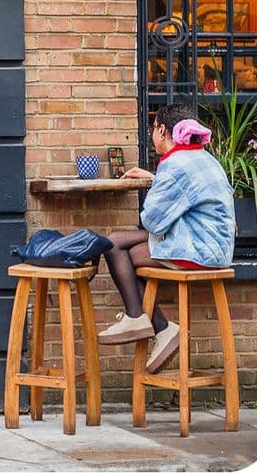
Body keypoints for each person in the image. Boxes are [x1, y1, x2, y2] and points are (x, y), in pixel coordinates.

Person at [97, 101, 236, 374]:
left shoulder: (174, 164)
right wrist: (155, 178)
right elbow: (188, 193)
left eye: (153, 129)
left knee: (120, 249)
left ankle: (145, 321)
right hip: (214, 246)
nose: (152, 135)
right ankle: (150, 323)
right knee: (114, 242)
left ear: (162, 130)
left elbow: (152, 221)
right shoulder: (202, 157)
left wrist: (158, 183)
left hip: (195, 248)